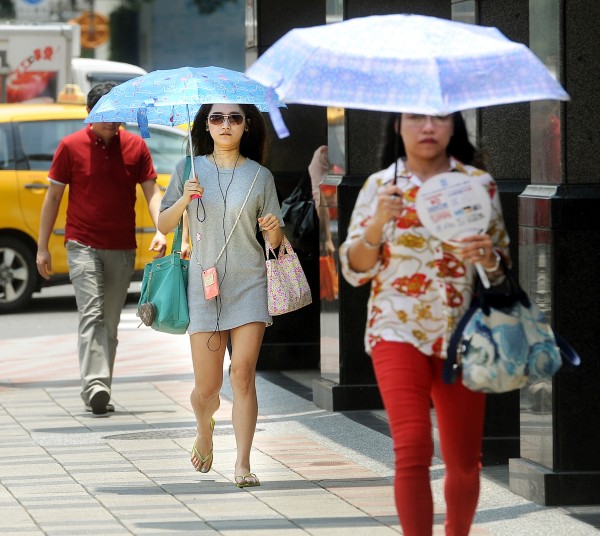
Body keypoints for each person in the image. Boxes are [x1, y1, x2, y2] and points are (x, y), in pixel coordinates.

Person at [339, 112, 510, 536]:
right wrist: (379, 221)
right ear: (398, 126)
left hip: (462, 335)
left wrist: (487, 257)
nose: (428, 127)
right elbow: (355, 270)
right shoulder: (381, 186)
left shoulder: (477, 184)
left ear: (455, 127)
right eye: (416, 118)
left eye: (439, 118)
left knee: (464, 462)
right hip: (395, 328)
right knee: (412, 446)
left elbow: (501, 268)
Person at [157, 103, 284, 488]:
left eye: (234, 118)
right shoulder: (187, 170)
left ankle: (243, 462)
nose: (225, 125)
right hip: (205, 287)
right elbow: (161, 223)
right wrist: (184, 199)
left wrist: (273, 229)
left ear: (247, 126)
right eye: (216, 118)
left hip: (250, 284)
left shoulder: (260, 177)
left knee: (243, 374)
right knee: (207, 389)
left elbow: (276, 244)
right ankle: (204, 428)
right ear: (206, 126)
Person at [36, 81, 168, 416]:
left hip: (121, 247)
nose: (112, 121)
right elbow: (53, 197)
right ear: (90, 114)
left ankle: (99, 386)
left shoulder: (136, 147)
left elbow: (152, 192)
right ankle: (96, 385)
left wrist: (161, 229)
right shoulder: (70, 146)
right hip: (81, 243)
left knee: (109, 321)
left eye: (118, 114)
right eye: (105, 114)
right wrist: (42, 248)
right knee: (91, 313)